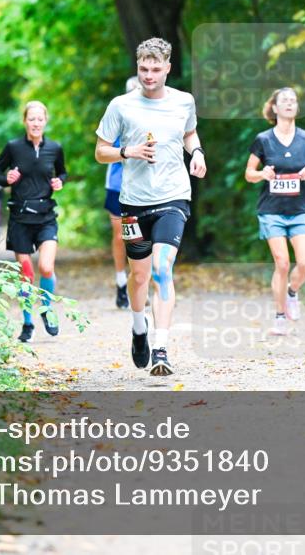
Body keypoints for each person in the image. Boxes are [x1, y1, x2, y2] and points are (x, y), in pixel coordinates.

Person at [94, 37, 206, 376]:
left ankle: (161, 348)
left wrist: (197, 153)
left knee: (161, 269)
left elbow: (190, 133)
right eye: (144, 69)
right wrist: (127, 151)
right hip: (133, 202)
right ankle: (138, 325)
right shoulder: (121, 106)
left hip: (173, 197)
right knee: (139, 275)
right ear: (138, 67)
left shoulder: (184, 101)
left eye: (156, 69)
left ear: (168, 68)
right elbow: (100, 152)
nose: (149, 75)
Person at [243, 87, 305, 334]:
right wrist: (262, 174)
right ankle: (279, 317)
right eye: (284, 101)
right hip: (271, 211)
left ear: (297, 108)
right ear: (275, 108)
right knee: (282, 262)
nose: (289, 104)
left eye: (293, 101)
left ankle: (291, 292)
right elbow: (249, 174)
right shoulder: (264, 139)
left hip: (299, 210)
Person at [0, 100, 67, 342]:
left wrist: (60, 181)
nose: (35, 123)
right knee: (26, 273)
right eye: (31, 119)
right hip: (20, 217)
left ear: (45, 121)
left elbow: (62, 171)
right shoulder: (13, 147)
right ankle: (28, 323)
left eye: (39, 119)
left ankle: (45, 309)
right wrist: (7, 178)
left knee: (46, 267)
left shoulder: (55, 147)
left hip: (45, 216)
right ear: (25, 121)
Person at [103, 76, 141, 309]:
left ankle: (139, 283)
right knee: (121, 235)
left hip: (145, 187)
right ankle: (120, 281)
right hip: (118, 184)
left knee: (141, 236)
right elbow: (104, 149)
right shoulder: (117, 116)